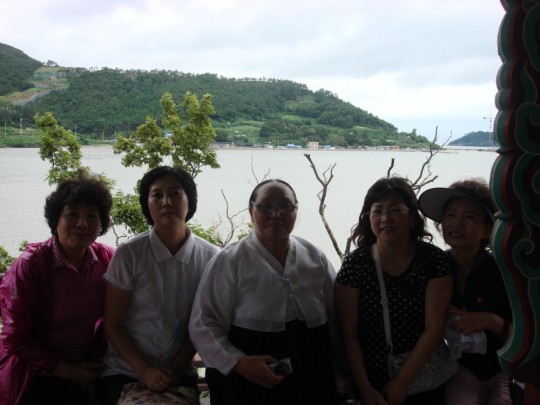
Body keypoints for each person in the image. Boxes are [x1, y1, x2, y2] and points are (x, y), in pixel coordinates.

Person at [189, 179, 338, 405]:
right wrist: (239, 362)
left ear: (296, 211)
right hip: (248, 384)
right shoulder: (229, 260)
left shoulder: (313, 255)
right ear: (251, 211)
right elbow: (202, 323)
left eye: (286, 206)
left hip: (313, 378)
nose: (276, 214)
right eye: (266, 206)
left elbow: (336, 313)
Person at [98, 165, 220, 404]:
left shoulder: (211, 257)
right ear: (147, 204)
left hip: (180, 373)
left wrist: (175, 368)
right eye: (157, 195)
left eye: (175, 194)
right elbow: (113, 325)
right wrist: (145, 371)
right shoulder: (129, 254)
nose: (167, 202)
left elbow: (203, 322)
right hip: (126, 371)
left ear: (189, 202)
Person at [335, 176, 454, 405]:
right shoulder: (356, 264)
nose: (385, 218)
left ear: (411, 216)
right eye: (377, 211)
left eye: (395, 210)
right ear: (368, 217)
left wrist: (402, 382)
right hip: (370, 379)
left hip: (422, 377)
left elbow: (434, 327)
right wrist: (365, 389)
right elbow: (349, 333)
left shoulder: (433, 260)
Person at [0, 171, 115, 405]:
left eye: (92, 216)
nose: (82, 224)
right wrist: (69, 372)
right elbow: (16, 339)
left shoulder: (106, 259)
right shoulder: (31, 266)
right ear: (56, 220)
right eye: (72, 215)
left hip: (88, 364)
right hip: (35, 373)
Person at [418, 178, 513, 405]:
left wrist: (491, 321)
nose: (457, 223)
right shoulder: (436, 268)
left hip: (506, 370)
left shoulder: (502, 272)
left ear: (487, 229)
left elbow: (528, 335)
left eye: (469, 217)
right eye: (451, 215)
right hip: (460, 369)